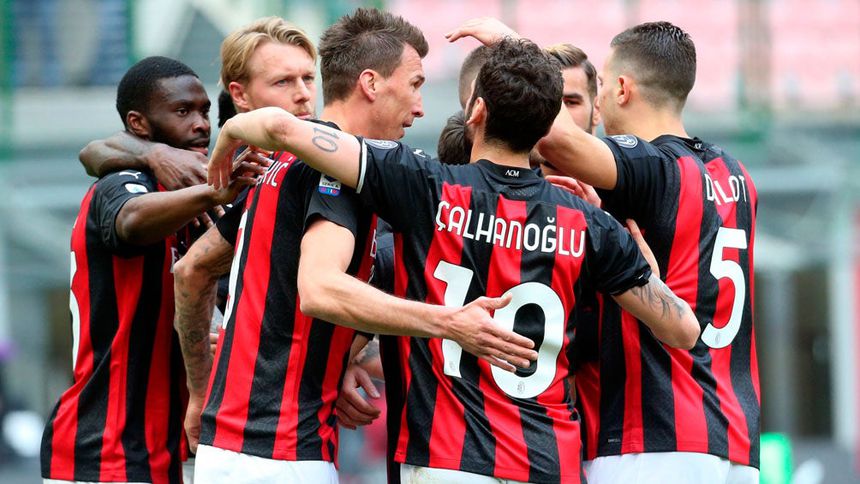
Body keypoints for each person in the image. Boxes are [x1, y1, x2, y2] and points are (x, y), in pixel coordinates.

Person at [208, 37, 701, 484]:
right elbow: (682, 329)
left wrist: (228, 135)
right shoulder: (592, 225)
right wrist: (645, 267)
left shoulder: (425, 185)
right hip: (549, 461)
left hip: (447, 460)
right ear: (547, 128)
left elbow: (281, 127)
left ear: (476, 110)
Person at [178, 9, 537, 484]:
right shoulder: (335, 168)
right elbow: (319, 290)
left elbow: (192, 270)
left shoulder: (281, 163)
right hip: (280, 450)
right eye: (414, 84)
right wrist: (450, 323)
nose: (420, 107)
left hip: (236, 442)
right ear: (371, 83)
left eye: (307, 78)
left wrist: (201, 392)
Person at [532, 22, 760, 484]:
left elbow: (557, 140)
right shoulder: (737, 176)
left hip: (653, 439)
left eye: (599, 87)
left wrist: (511, 49)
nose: (597, 103)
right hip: (736, 443)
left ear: (621, 88)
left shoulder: (651, 165)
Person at [40, 56, 251, 484]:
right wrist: (213, 193)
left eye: (204, 111)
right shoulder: (121, 182)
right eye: (182, 111)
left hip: (169, 451)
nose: (200, 124)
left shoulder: (197, 200)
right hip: (103, 450)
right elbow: (131, 221)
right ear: (138, 123)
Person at [78, 16, 316, 193]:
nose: (304, 94)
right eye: (282, 82)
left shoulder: (334, 152)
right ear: (240, 95)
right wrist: (154, 154)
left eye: (308, 78)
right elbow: (92, 152)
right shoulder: (226, 178)